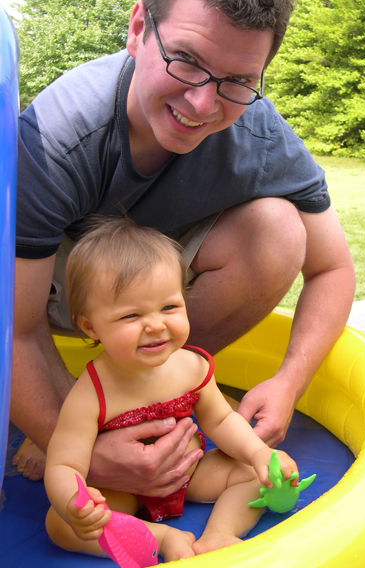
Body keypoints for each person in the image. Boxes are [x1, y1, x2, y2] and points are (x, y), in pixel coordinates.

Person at [12, 0, 355, 492]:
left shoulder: (259, 134)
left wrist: (289, 382)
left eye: (238, 81)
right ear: (137, 28)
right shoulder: (60, 135)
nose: (202, 103)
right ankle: (86, 413)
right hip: (58, 288)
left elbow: (333, 267)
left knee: (278, 230)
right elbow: (12, 327)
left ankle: (154, 389)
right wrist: (78, 450)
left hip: (157, 282)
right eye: (187, 60)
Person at [44, 217, 299, 560]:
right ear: (90, 327)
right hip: (123, 490)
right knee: (60, 525)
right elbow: (64, 465)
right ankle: (161, 537)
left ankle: (219, 534)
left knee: (255, 475)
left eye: (169, 307)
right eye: (131, 316)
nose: (155, 325)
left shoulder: (193, 366)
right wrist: (76, 502)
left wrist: (258, 454)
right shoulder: (91, 393)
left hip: (190, 471)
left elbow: (222, 422)